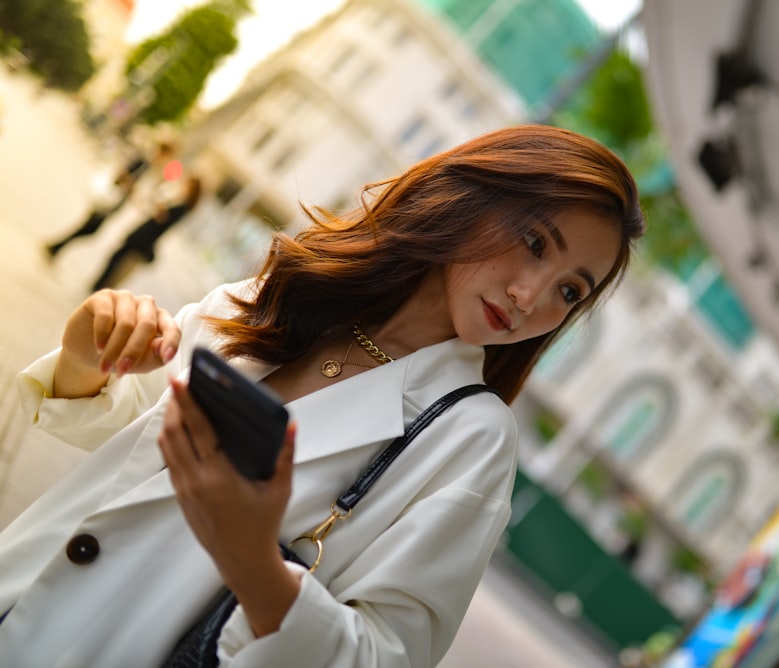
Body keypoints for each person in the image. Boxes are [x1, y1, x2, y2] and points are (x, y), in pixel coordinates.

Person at [0, 125, 645, 666]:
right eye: (534, 243)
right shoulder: (282, 295)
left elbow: (384, 654)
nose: (531, 297)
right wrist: (89, 357)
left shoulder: (471, 440)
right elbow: (138, 442)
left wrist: (252, 557)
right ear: (470, 197)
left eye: (570, 291)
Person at [45, 143, 175, 258]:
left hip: (114, 203)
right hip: (110, 197)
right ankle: (55, 247)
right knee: (90, 229)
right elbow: (122, 174)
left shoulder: (150, 167)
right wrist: (133, 191)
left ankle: (56, 247)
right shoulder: (143, 161)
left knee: (89, 228)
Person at [90, 174, 203, 291]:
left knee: (118, 259)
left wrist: (160, 206)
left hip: (145, 237)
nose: (184, 184)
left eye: (188, 184)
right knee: (118, 258)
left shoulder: (182, 207)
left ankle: (98, 286)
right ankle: (99, 285)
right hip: (145, 234)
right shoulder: (181, 203)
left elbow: (162, 218)